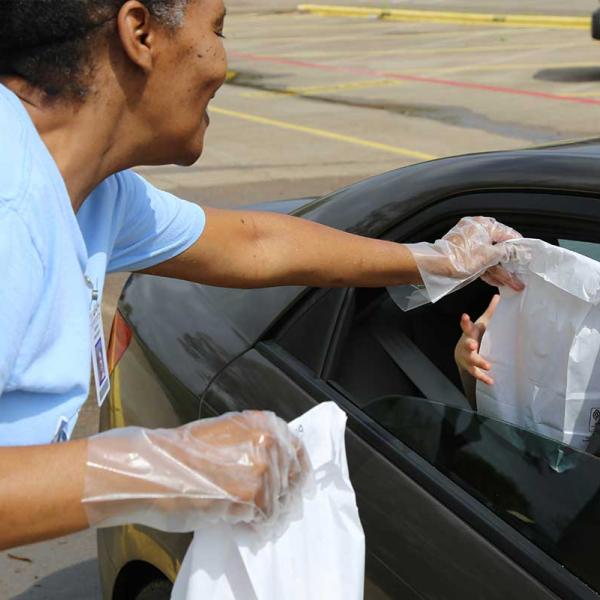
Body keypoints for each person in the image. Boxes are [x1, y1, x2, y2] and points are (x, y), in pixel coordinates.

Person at [0, 0, 523, 551]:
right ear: (140, 33)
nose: (225, 61)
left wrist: (434, 260)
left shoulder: (93, 189)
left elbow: (255, 243)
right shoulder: (12, 205)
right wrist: (168, 466)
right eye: (217, 28)